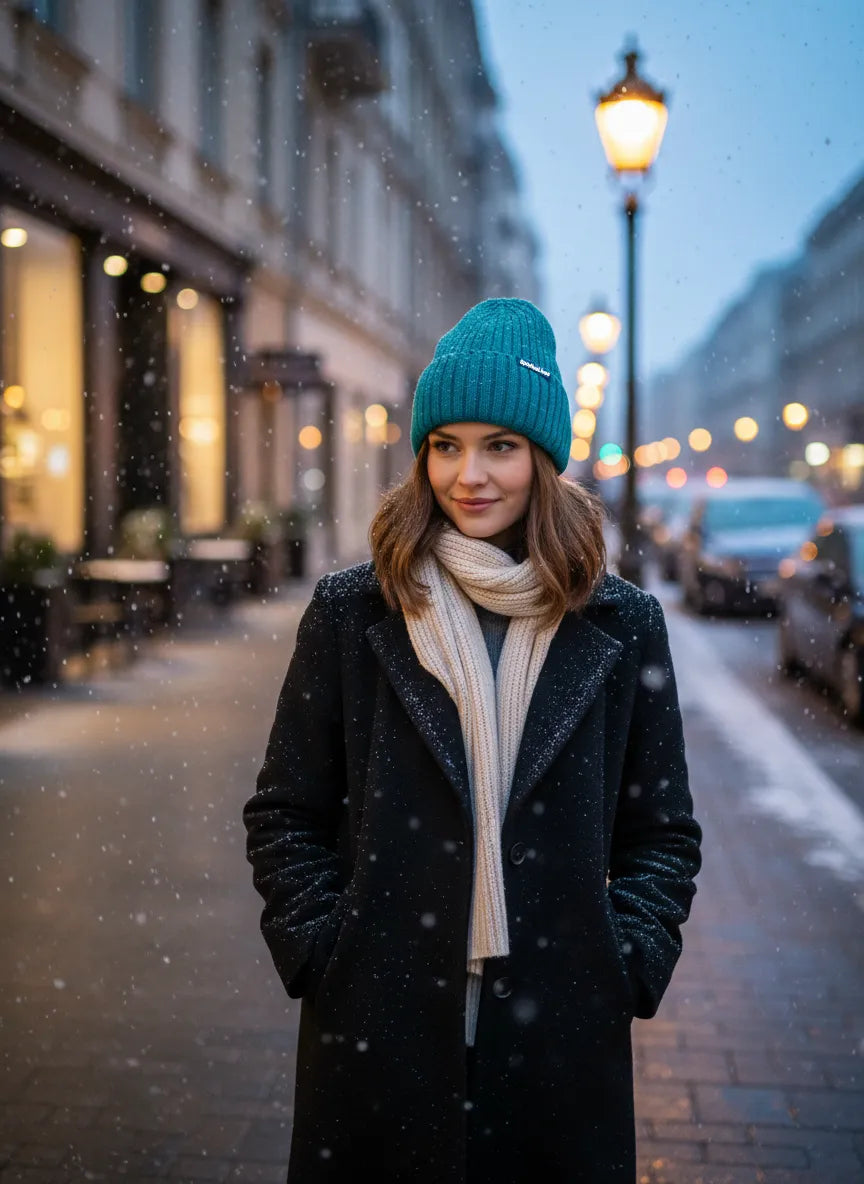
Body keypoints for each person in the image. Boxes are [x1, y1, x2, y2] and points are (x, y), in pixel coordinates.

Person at [243, 298, 702, 1183]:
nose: (469, 474)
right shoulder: (355, 609)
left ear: (542, 458)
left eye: (500, 445)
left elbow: (661, 833)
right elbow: (286, 810)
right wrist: (322, 950)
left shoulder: (621, 623)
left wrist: (626, 961)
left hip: (560, 1025)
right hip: (378, 1015)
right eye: (446, 444)